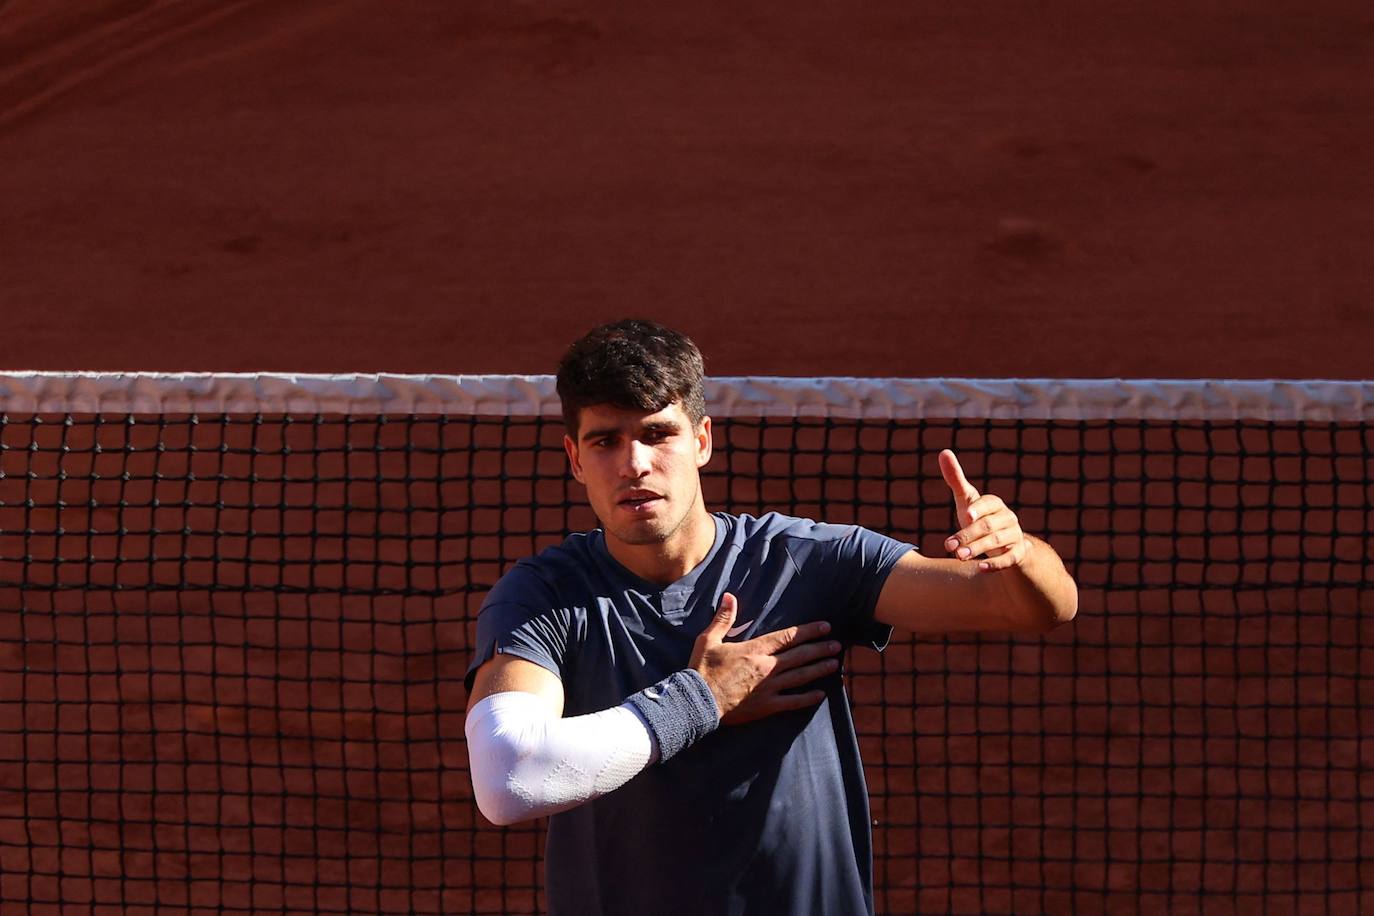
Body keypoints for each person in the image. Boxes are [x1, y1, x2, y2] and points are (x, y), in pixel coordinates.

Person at [464, 319, 1077, 915]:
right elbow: (509, 776)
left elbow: (1032, 607)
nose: (635, 464)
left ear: (701, 440)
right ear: (575, 457)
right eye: (606, 440)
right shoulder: (542, 596)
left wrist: (1018, 555)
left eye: (658, 434)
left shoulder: (807, 560)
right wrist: (701, 700)